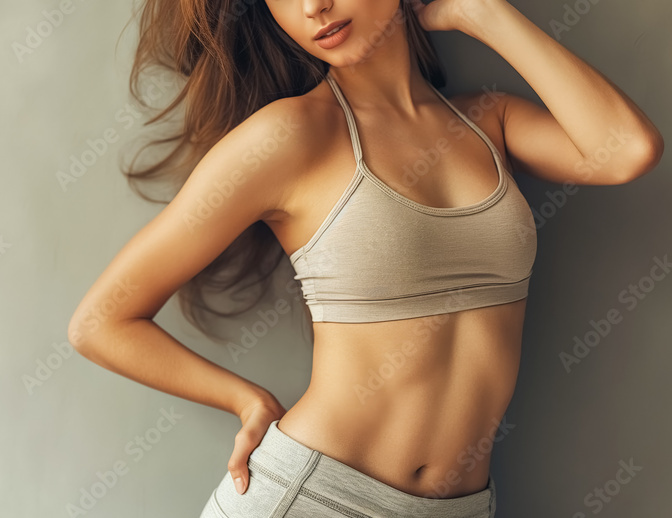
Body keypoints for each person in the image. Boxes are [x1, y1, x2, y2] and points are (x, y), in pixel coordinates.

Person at [67, 0, 663, 516]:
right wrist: (245, 400)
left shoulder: (490, 122)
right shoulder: (291, 135)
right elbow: (101, 322)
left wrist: (480, 13)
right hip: (315, 498)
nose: (314, 7)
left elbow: (626, 151)